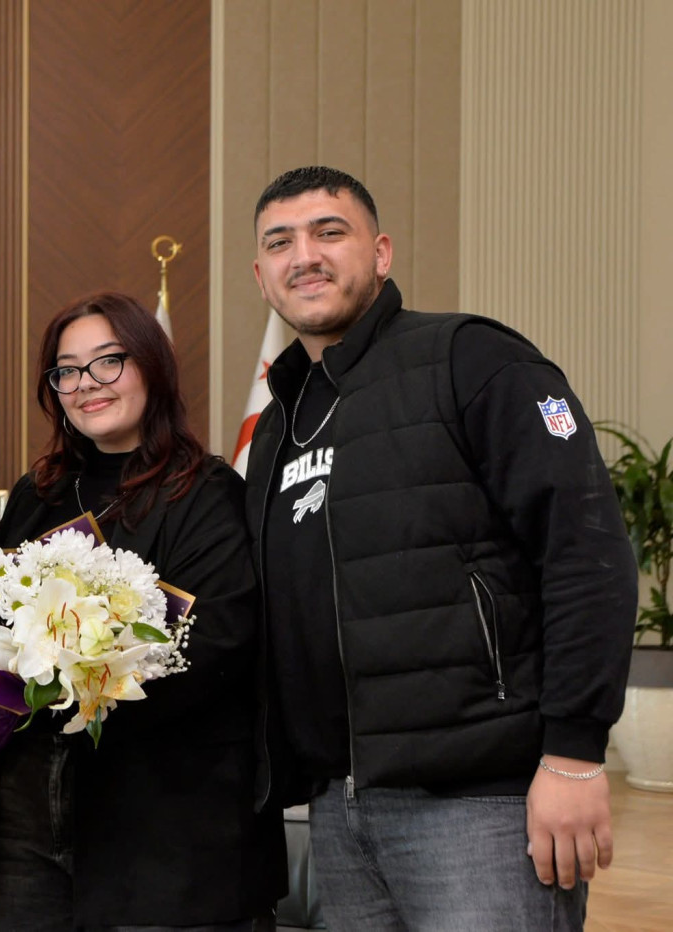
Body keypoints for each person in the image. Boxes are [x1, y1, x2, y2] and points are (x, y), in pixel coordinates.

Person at [245, 165, 637, 929]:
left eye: (330, 232)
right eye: (280, 242)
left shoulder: (471, 359)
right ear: (261, 276)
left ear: (381, 252)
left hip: (481, 808)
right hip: (338, 810)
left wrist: (574, 754)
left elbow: (585, 551)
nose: (305, 255)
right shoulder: (278, 425)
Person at [0, 292, 286, 931]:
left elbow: (216, 644)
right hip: (28, 816)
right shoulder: (40, 492)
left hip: (166, 822)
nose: (86, 383)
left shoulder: (208, 493)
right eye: (66, 370)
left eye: (108, 361)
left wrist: (78, 668)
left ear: (152, 365)